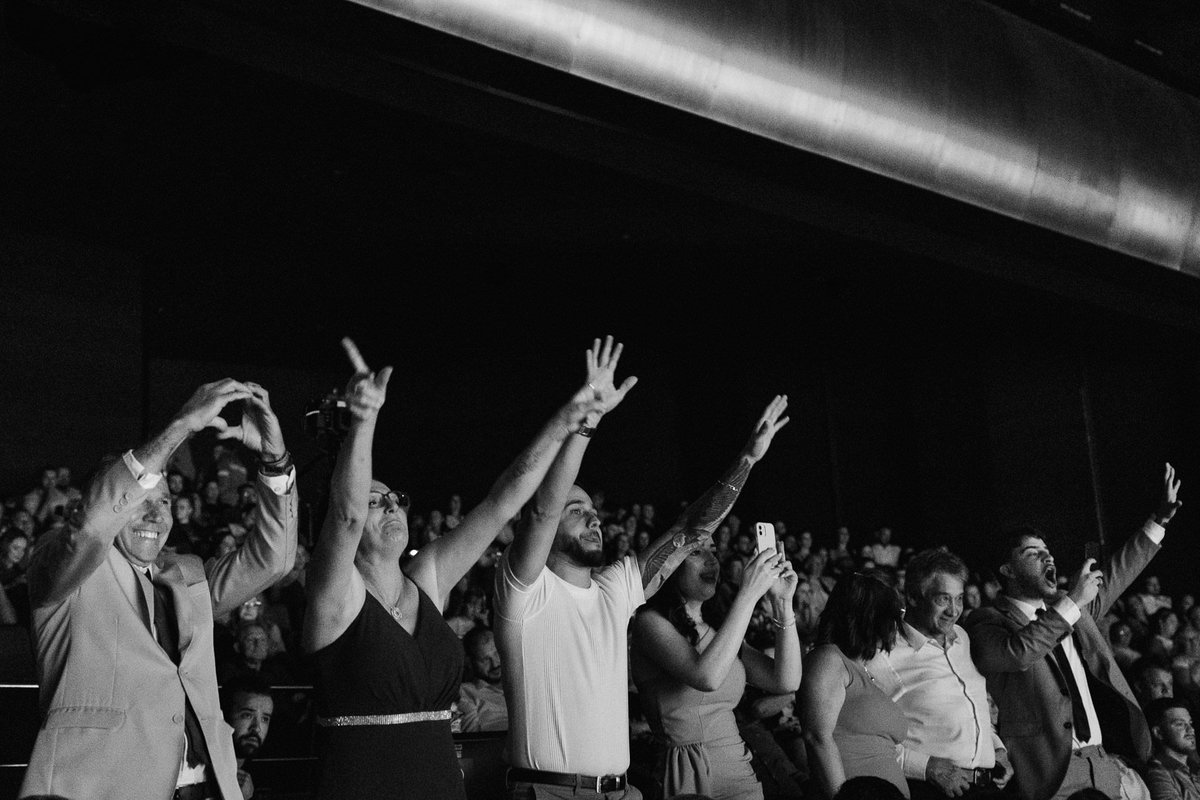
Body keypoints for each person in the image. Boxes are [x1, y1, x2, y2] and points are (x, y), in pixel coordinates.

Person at [302, 337, 608, 800]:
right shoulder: (335, 594)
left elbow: (503, 501)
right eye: (375, 501)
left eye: (396, 500)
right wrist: (363, 423)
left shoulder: (427, 577)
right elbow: (346, 516)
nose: (392, 506)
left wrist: (568, 420)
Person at [496, 341, 789, 799]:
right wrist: (587, 421)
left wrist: (746, 461)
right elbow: (541, 511)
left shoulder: (614, 590)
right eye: (577, 510)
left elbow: (690, 531)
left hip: (620, 792)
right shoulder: (523, 589)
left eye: (594, 511)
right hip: (550, 792)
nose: (594, 518)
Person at [20, 378, 298, 800]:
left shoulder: (186, 573)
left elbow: (274, 559)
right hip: (104, 787)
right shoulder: (62, 569)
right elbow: (92, 527)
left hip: (207, 787)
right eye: (140, 501)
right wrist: (182, 426)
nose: (154, 515)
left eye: (164, 501)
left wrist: (275, 462)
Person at [964, 463, 1183, 800]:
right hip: (1050, 776)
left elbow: (1118, 573)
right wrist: (1072, 602)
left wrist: (1159, 521)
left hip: (1102, 763)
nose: (1047, 558)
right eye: (1033, 554)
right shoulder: (987, 621)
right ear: (1008, 570)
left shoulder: (1071, 609)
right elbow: (1018, 653)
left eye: (1048, 552)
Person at [630, 529, 801, 799]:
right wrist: (748, 593)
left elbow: (786, 681)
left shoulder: (719, 629)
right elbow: (706, 677)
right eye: (697, 552)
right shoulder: (649, 622)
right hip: (687, 775)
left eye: (713, 551)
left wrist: (782, 603)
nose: (711, 560)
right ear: (670, 563)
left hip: (739, 770)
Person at [865, 547, 1012, 799]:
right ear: (913, 597)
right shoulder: (882, 653)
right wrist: (926, 768)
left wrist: (997, 750)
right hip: (931, 791)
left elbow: (969, 709)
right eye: (943, 599)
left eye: (959, 599)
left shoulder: (962, 638)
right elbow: (865, 741)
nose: (954, 611)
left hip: (987, 786)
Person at [799, 570, 910, 799]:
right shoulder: (828, 659)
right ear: (869, 617)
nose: (897, 624)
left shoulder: (863, 669)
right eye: (892, 614)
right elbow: (817, 738)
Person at [220, 674, 275, 800]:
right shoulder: (196, 768)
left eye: (265, 719)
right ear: (224, 715)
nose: (257, 728)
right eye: (247, 715)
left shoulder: (267, 773)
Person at [1143, 697, 1200, 800]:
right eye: (1180, 724)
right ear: (1158, 733)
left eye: (1190, 723)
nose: (1191, 730)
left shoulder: (1194, 767)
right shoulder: (1159, 773)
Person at [457, 626, 509, 733]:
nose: (495, 663)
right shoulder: (466, 693)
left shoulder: (524, 685)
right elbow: (472, 739)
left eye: (497, 653)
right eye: (485, 660)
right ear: (470, 662)